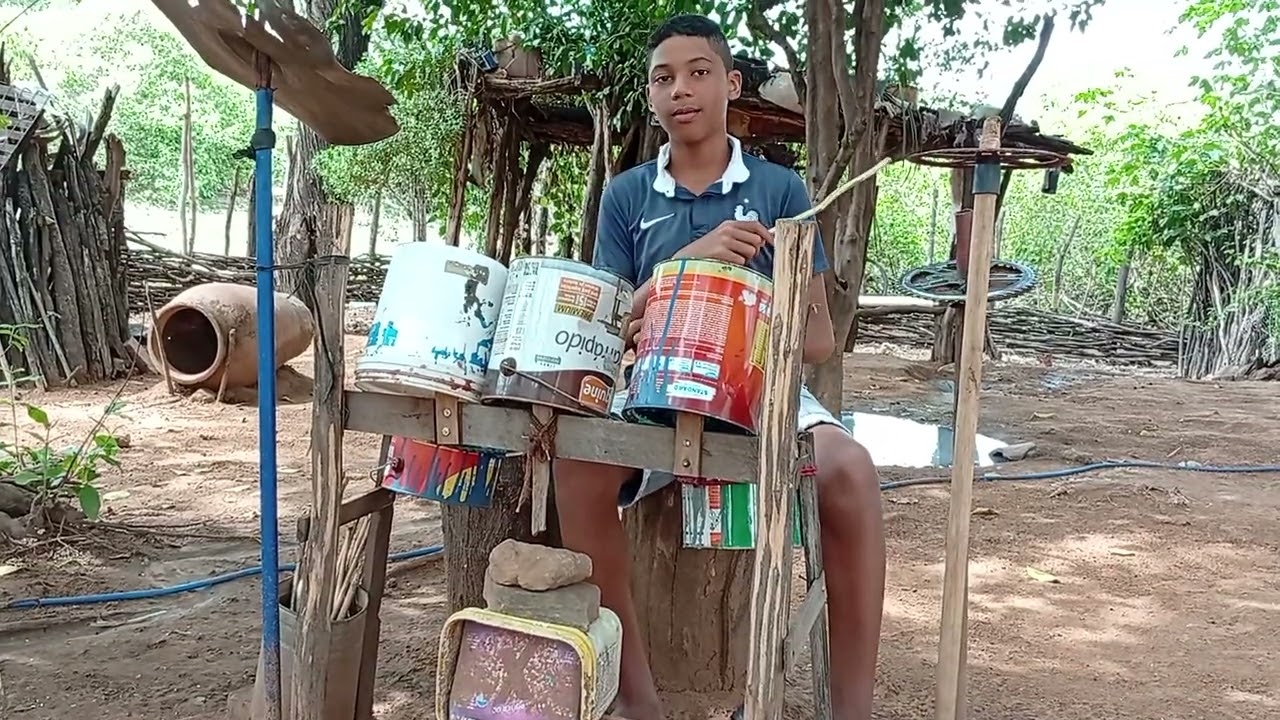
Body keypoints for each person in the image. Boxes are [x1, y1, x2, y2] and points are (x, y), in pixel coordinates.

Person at [553, 13, 886, 720]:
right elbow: (611, 325)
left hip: (760, 393)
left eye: (698, 72)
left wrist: (752, 315)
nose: (681, 89)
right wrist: (689, 261)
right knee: (576, 464)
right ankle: (638, 701)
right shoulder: (626, 196)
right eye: (663, 78)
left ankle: (852, 709)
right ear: (650, 96)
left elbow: (819, 339)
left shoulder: (779, 190)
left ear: (731, 84)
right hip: (653, 394)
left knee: (852, 470)